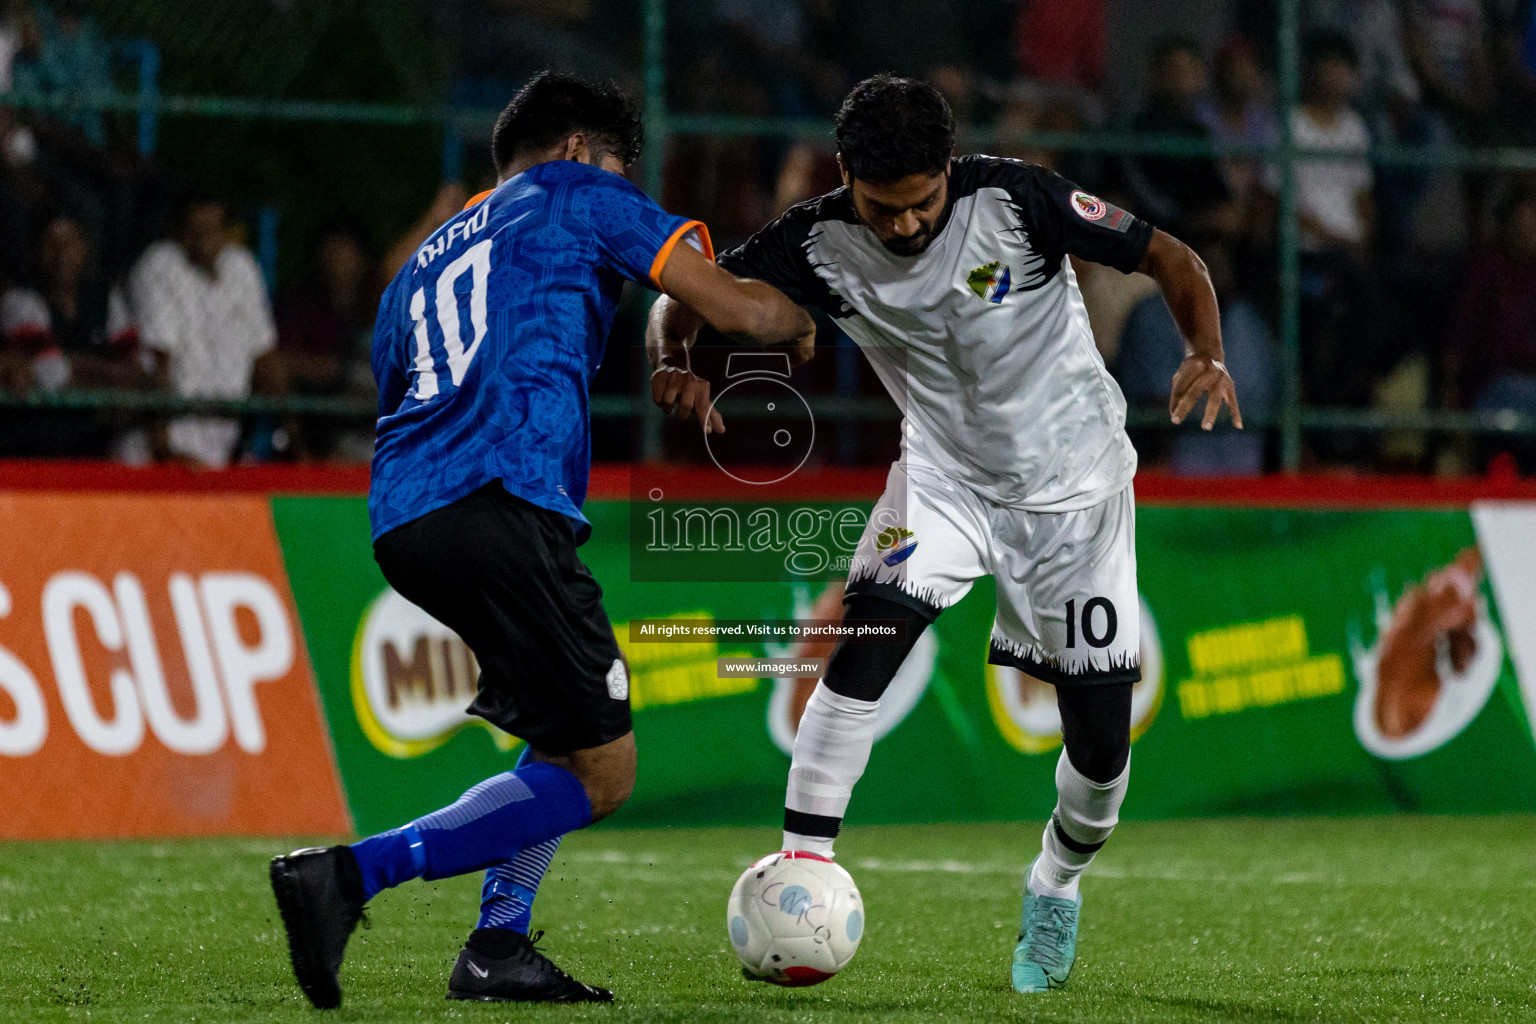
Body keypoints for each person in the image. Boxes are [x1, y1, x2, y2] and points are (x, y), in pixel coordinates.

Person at [648, 75, 1238, 995]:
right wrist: (672, 359)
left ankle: (1056, 879)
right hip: (943, 486)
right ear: (847, 175)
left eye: (924, 203)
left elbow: (1173, 257)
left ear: (949, 172)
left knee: (1100, 755)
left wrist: (1204, 350)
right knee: (861, 651)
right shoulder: (811, 241)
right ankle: (801, 867)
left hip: (1075, 497)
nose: (908, 226)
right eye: (886, 208)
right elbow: (686, 293)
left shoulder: (1020, 199)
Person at [268, 71, 814, 1009]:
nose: (624, 186)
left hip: (405, 517)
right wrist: (801, 319)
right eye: (619, 168)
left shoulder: (418, 268)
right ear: (576, 151)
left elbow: (404, 384)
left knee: (565, 736)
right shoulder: (577, 191)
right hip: (505, 501)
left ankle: (497, 945)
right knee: (606, 772)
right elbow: (741, 310)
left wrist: (665, 356)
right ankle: (348, 875)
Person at [127, 196, 276, 468]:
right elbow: (159, 365)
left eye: (211, 230)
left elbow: (266, 359)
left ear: (228, 232)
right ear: (179, 232)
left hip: (222, 448)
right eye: (194, 231)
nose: (202, 240)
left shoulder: (241, 267)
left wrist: (300, 450)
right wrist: (165, 452)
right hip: (158, 452)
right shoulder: (160, 264)